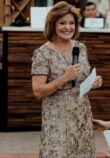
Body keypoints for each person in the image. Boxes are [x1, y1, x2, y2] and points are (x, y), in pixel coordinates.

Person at [31, 2, 102, 157]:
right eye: (62, 23)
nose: (68, 27)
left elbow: (81, 79)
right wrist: (63, 78)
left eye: (72, 23)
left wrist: (93, 82)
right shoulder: (43, 53)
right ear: (53, 24)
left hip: (81, 116)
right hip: (57, 121)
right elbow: (37, 91)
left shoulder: (81, 48)